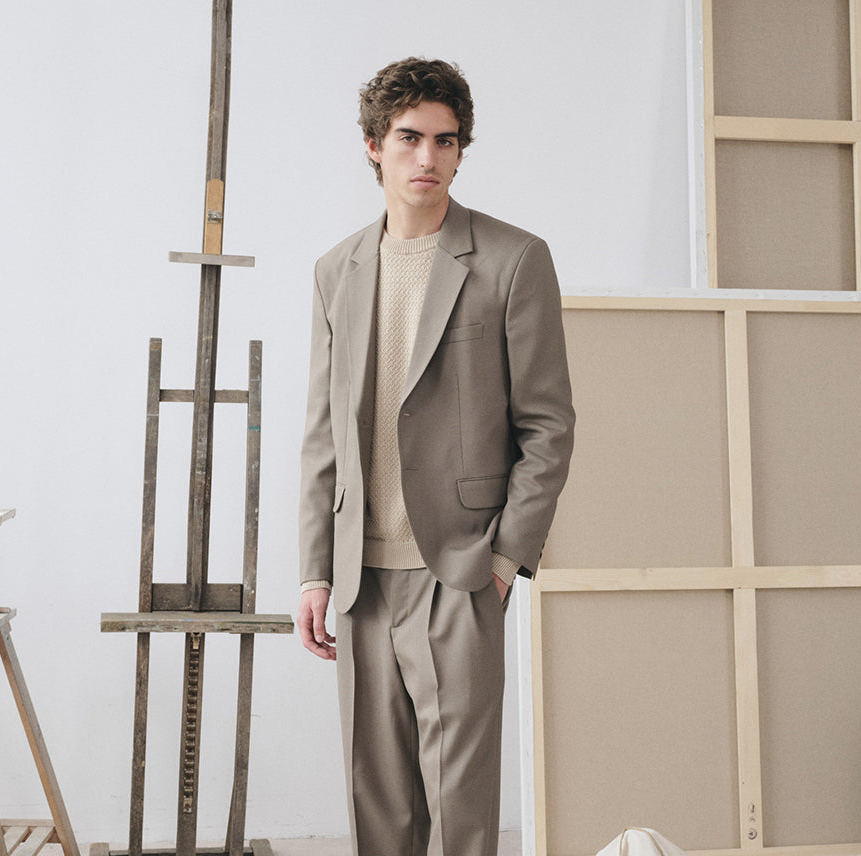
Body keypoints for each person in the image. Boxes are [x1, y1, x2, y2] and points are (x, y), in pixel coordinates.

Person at [297, 56, 575, 856]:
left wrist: (504, 560)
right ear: (374, 146)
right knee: (378, 804)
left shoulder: (513, 259)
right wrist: (315, 572)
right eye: (410, 138)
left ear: (460, 150)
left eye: (446, 141)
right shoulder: (337, 271)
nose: (428, 157)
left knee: (459, 805)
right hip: (360, 577)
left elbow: (549, 424)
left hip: (458, 568)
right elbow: (323, 432)